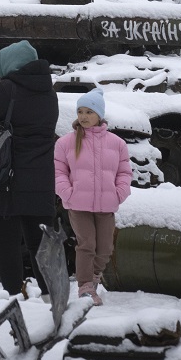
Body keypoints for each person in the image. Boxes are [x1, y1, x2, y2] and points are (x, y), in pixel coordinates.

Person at [0, 40, 59, 297]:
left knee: (6, 244)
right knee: (39, 244)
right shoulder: (49, 93)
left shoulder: (7, 89)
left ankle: (13, 295)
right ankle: (51, 295)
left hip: (5, 178)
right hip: (39, 181)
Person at [53, 87, 133, 306]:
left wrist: (119, 193)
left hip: (107, 205)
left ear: (99, 115)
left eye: (89, 112)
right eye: (80, 111)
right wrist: (67, 193)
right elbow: (59, 172)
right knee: (86, 244)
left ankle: (94, 278)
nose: (84, 116)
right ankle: (85, 287)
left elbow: (124, 172)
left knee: (105, 248)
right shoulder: (66, 143)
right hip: (78, 204)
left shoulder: (117, 143)